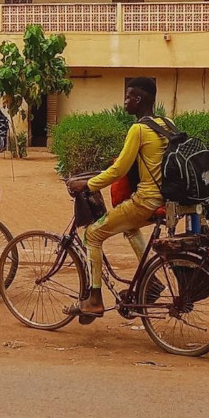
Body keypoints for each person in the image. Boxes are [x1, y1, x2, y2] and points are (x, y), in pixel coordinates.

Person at [65, 77, 167, 319]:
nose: (125, 101)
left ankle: (94, 300)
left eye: (128, 96)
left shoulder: (139, 129)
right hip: (165, 200)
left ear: (139, 99)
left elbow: (119, 170)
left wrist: (87, 184)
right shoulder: (165, 124)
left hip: (145, 201)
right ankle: (151, 281)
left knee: (92, 235)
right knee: (129, 228)